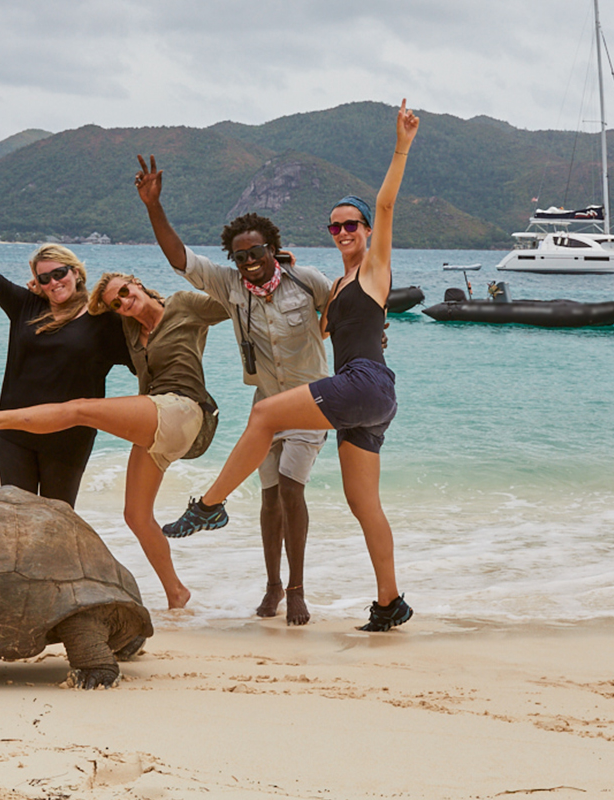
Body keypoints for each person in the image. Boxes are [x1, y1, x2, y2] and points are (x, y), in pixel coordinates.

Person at [162, 99, 420, 632]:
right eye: (335, 227)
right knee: (362, 503)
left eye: (352, 225)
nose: (344, 232)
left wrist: (401, 146)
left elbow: (388, 204)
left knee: (264, 417)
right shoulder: (337, 284)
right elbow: (336, 324)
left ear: (367, 230)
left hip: (363, 382)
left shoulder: (373, 269)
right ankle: (390, 602)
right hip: (368, 398)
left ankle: (209, 505)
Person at [0, 268, 229, 610]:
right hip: (157, 419)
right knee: (136, 516)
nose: (125, 302)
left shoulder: (183, 305)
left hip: (185, 410)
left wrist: (278, 273)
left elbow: (236, 304)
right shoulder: (127, 327)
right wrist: (43, 292)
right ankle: (176, 592)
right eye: (117, 303)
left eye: (126, 292)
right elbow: (80, 314)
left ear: (137, 281)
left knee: (80, 409)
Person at [134, 156, 330, 625]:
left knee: (290, 488)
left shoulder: (308, 281)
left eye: (256, 252)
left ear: (272, 248)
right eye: (240, 257)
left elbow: (346, 311)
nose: (249, 263)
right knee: (267, 498)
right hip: (266, 404)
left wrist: (374, 335)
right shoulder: (229, 286)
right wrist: (153, 206)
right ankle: (273, 586)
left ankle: (298, 589)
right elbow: (180, 259)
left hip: (310, 400)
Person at [0, 191, 132, 507]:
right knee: (15, 520)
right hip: (14, 433)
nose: (53, 282)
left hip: (68, 439)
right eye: (44, 277)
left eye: (59, 273)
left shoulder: (104, 321)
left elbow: (145, 357)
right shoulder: (26, 306)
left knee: (56, 522)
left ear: (76, 272)